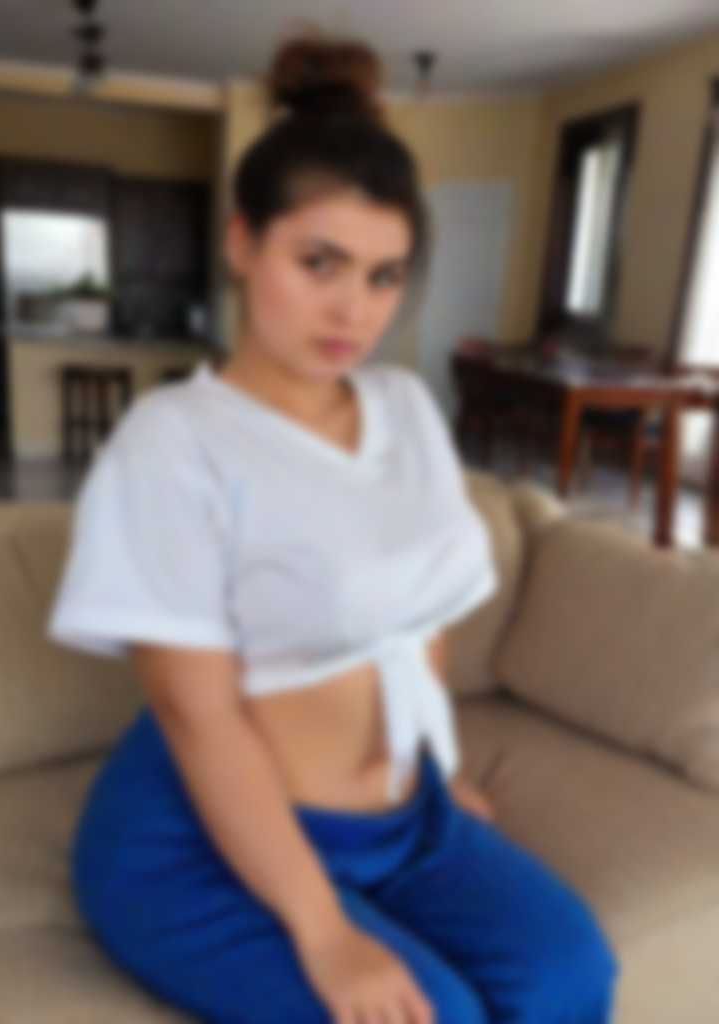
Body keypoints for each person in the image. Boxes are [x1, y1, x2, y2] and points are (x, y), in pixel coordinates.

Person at [46, 33, 620, 1024]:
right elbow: (196, 715)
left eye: (385, 276)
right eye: (320, 263)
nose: (353, 309)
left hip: (403, 825)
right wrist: (323, 933)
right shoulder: (172, 442)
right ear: (242, 243)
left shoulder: (406, 406)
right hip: (202, 843)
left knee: (572, 974)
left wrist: (433, 773)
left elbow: (421, 620)